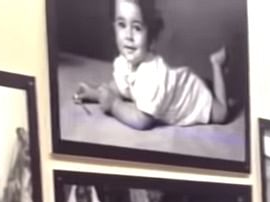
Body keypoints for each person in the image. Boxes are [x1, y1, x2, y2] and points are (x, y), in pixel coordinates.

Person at [75, 0, 233, 130]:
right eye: (122, 25)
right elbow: (119, 87)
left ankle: (216, 64)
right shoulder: (123, 62)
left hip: (189, 96)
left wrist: (114, 105)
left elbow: (142, 120)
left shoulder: (152, 75)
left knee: (221, 114)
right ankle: (207, 83)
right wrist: (96, 93)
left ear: (151, 36)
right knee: (192, 83)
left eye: (137, 27)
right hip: (175, 84)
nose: (128, 36)